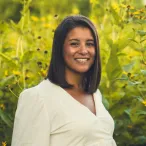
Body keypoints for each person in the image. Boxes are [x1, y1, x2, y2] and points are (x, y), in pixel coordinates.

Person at [11, 15, 117, 146]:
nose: (84, 50)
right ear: (60, 48)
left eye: (90, 44)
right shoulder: (37, 97)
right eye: (74, 44)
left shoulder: (95, 94)